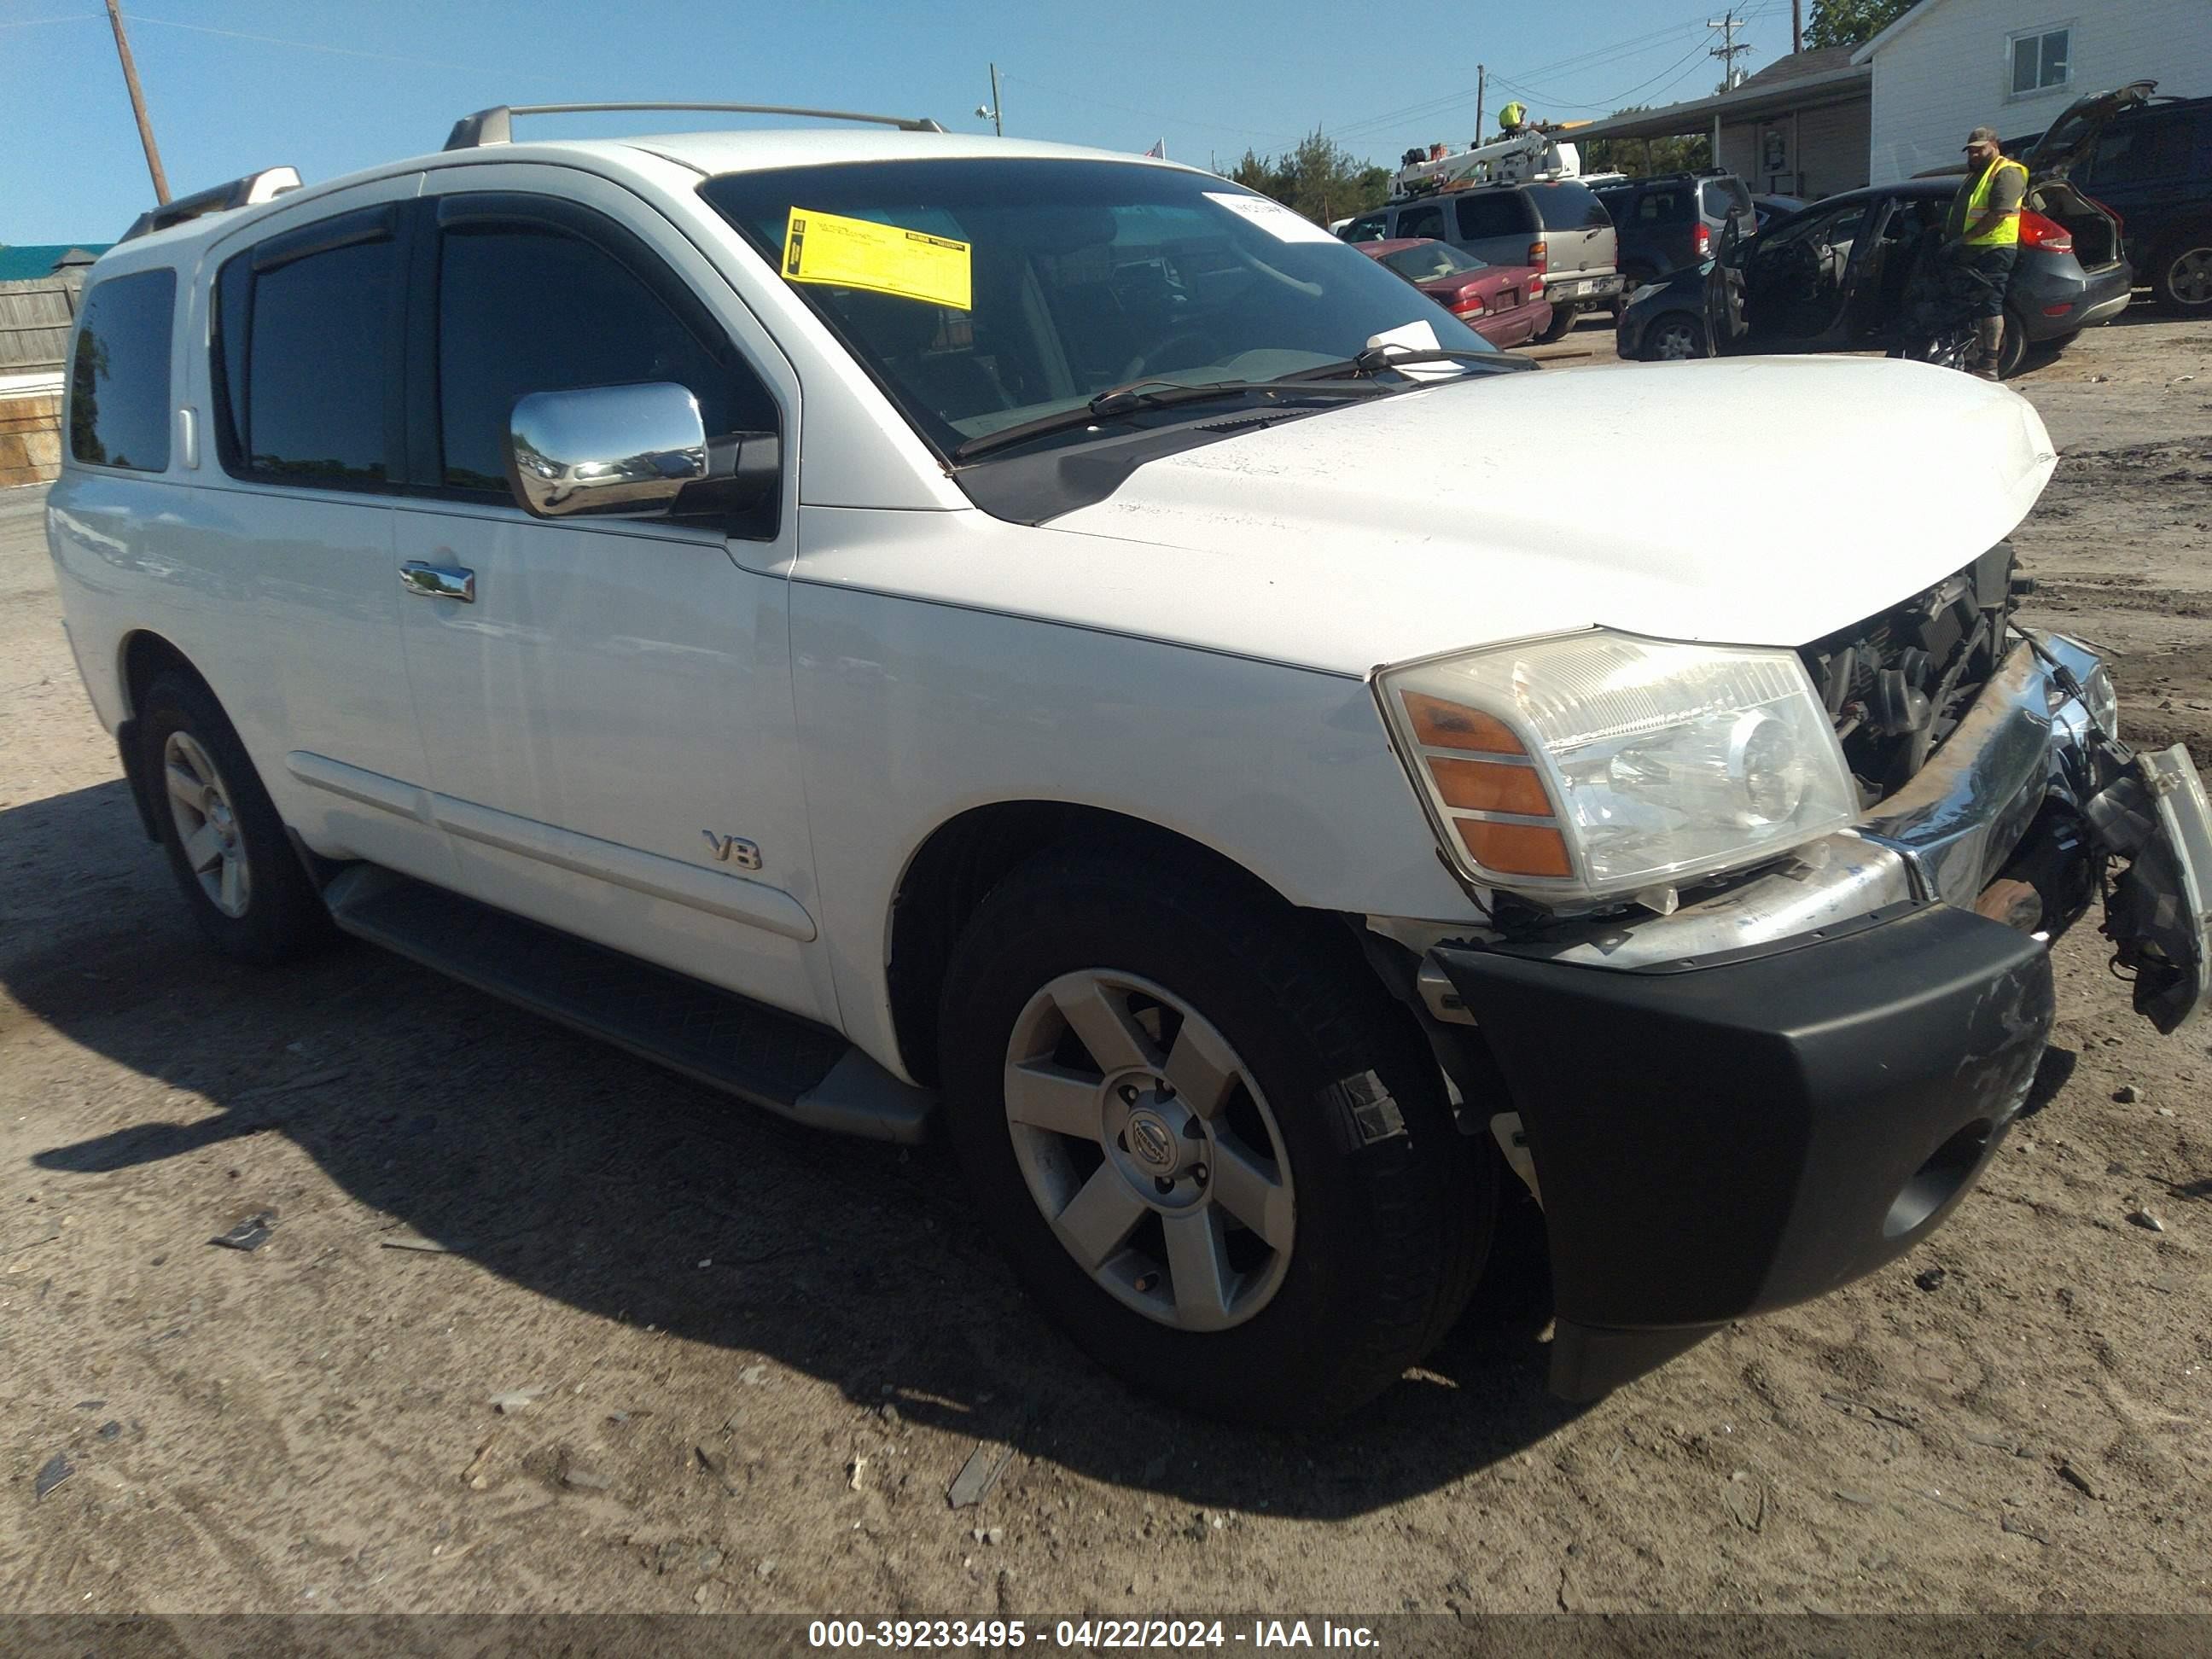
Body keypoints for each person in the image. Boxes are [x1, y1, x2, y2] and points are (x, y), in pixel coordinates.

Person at [1942, 125, 2029, 379]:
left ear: (1994, 145)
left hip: (1994, 249)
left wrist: (1963, 240)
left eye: (1979, 150)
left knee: (1990, 305)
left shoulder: (2007, 172)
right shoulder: (1975, 175)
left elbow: (1999, 214)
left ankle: (1990, 363)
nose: (1973, 156)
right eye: (1970, 151)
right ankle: (1969, 359)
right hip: (1971, 251)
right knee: (1972, 305)